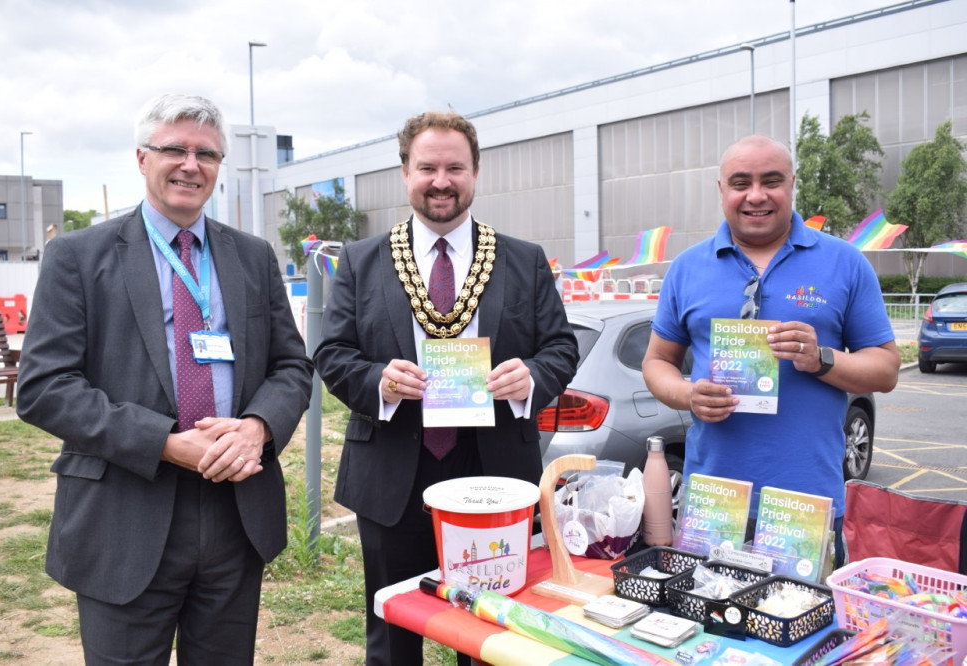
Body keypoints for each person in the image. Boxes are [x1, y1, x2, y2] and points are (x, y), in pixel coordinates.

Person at [17, 93, 313, 665]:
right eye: (173, 148)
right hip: (124, 515)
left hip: (234, 513)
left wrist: (257, 427)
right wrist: (165, 443)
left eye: (206, 153)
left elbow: (291, 366)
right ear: (140, 158)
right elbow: (44, 386)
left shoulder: (252, 256)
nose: (190, 165)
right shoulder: (78, 256)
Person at [313, 111, 579, 665]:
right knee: (392, 633)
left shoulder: (522, 260)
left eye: (454, 167)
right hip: (393, 472)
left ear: (475, 173)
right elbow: (331, 354)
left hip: (494, 472)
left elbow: (561, 348)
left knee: (492, 635)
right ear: (404, 172)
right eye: (427, 167)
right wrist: (378, 381)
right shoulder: (362, 261)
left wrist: (531, 377)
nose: (441, 180)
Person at [642, 134, 900, 563]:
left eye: (772, 181)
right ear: (721, 189)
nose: (756, 196)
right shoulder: (687, 268)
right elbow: (656, 362)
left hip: (804, 502)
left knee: (799, 624)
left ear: (792, 184)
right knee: (708, 621)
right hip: (714, 501)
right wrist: (687, 394)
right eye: (741, 182)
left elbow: (887, 370)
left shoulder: (845, 262)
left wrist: (822, 359)